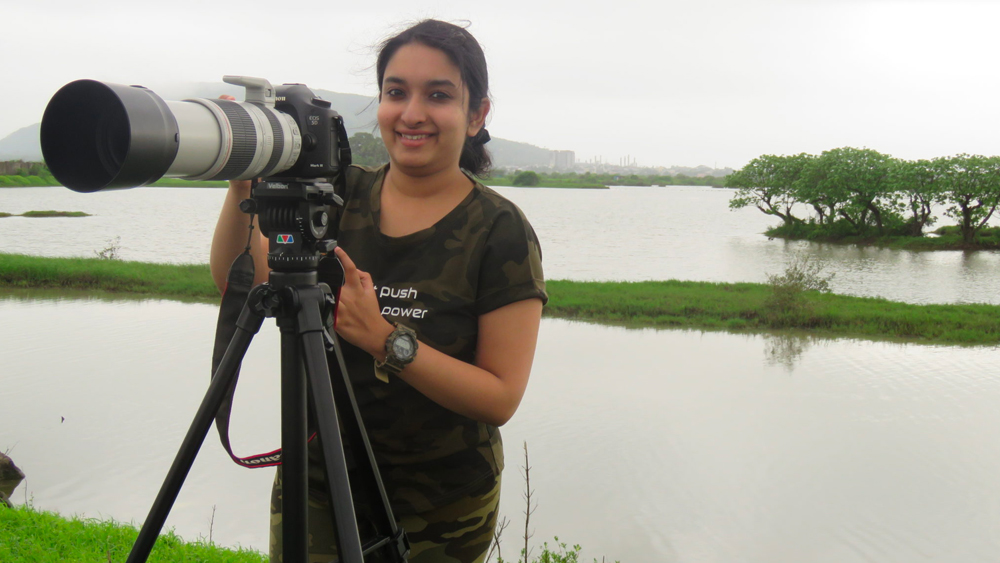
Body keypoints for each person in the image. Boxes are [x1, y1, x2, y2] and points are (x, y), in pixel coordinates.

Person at [209, 19, 547, 563]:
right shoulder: (337, 193)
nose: (412, 113)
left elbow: (500, 396)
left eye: (438, 95)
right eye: (396, 92)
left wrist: (387, 340)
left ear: (477, 114)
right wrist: (243, 184)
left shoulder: (499, 228)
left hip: (440, 506)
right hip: (318, 478)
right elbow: (240, 280)